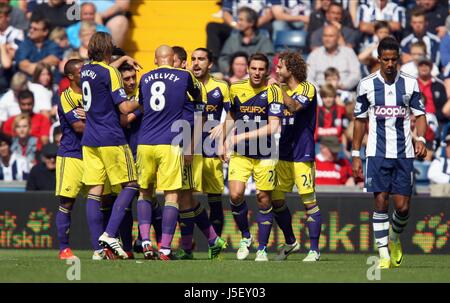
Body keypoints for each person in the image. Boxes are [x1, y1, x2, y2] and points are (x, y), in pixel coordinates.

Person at [352, 37, 427, 269]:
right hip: (376, 153)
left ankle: (394, 237)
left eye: (394, 59)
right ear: (379, 59)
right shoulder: (366, 84)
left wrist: (421, 139)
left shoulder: (410, 84)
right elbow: (359, 121)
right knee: (381, 201)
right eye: (386, 59)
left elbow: (420, 115)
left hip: (404, 153)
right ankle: (383, 252)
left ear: (399, 59)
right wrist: (356, 153)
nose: (390, 64)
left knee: (403, 207)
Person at [80, 32, 140, 259]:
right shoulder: (111, 72)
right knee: (133, 184)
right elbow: (124, 108)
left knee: (95, 193)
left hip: (90, 140)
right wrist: (141, 101)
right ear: (107, 49)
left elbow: (104, 72)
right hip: (111, 138)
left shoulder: (86, 70)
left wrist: (123, 60)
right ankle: (110, 234)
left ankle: (98, 250)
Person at [222, 53, 282, 261]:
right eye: (253, 68)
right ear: (247, 69)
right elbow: (231, 116)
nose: (257, 73)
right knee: (236, 195)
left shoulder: (273, 91)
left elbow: (273, 126)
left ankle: (263, 248)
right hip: (241, 153)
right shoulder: (236, 88)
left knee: (263, 198)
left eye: (261, 69)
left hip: (266, 153)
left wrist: (240, 135)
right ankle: (246, 237)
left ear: (267, 71)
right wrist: (224, 140)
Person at [173, 48, 229, 260]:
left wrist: (224, 137)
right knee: (185, 198)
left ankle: (215, 249)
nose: (196, 63)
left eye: (201, 59)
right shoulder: (183, 85)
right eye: (193, 59)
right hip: (189, 149)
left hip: (211, 150)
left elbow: (231, 115)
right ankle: (188, 247)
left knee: (214, 200)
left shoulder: (222, 87)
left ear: (210, 63)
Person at [271, 50, 321, 262]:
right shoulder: (278, 89)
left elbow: (294, 106)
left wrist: (278, 89)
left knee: (308, 202)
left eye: (280, 67)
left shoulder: (307, 88)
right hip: (283, 152)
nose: (276, 70)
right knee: (276, 199)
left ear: (290, 69)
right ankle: (291, 241)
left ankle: (315, 250)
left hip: (302, 151)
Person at [54, 58, 85, 260]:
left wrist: (90, 115)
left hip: (93, 153)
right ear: (71, 76)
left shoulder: (93, 95)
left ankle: (104, 247)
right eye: (82, 71)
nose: (87, 74)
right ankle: (64, 248)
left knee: (103, 200)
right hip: (71, 154)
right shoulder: (67, 97)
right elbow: (79, 127)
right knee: (67, 202)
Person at [218, 7, 274, 75]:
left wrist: (254, 73)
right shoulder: (233, 39)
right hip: (234, 78)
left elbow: (270, 61)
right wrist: (232, 71)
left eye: (241, 20)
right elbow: (223, 59)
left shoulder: (264, 41)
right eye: (238, 19)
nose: (238, 22)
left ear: (251, 23)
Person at [306, 24, 361, 90]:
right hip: (320, 93)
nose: (327, 39)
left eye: (331, 36)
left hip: (343, 92)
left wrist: (342, 85)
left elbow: (356, 74)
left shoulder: (348, 52)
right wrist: (320, 90)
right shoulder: (314, 55)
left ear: (338, 38)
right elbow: (308, 77)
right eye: (325, 36)